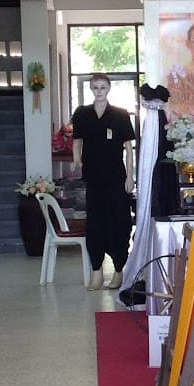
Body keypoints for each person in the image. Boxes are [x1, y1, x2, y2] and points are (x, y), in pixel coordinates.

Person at [71, 75, 135, 290]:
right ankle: (96, 271)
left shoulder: (120, 115)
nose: (99, 91)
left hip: (116, 177)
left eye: (103, 87)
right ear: (91, 89)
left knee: (120, 221)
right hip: (94, 177)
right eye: (96, 87)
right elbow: (77, 140)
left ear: (109, 88)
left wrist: (130, 177)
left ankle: (118, 270)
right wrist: (76, 160)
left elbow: (128, 149)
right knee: (95, 223)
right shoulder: (82, 114)